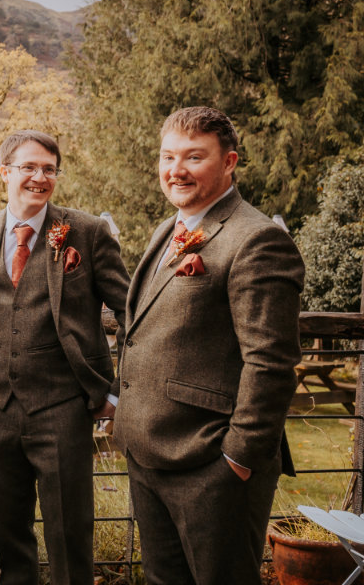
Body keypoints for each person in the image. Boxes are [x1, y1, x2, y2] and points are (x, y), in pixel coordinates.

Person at [115, 106, 304, 585]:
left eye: (194, 157)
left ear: (230, 162)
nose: (176, 170)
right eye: (168, 156)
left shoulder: (257, 238)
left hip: (210, 463)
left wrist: (237, 460)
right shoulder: (168, 229)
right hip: (150, 455)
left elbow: (271, 363)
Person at [0, 130, 129, 585]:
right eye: (28, 167)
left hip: (64, 406)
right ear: (6, 171)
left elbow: (133, 314)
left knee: (70, 532)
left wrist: (118, 392)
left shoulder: (88, 232)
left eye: (48, 169)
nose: (39, 178)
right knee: (7, 532)